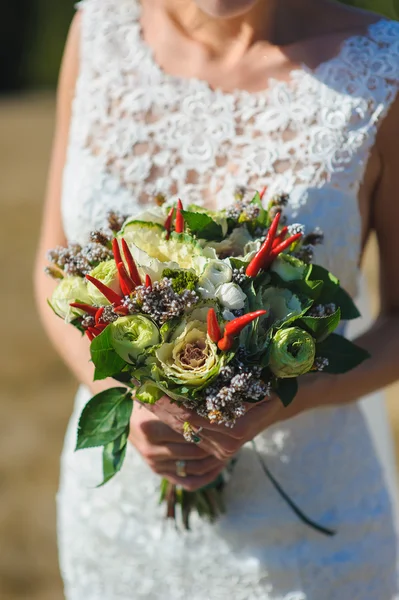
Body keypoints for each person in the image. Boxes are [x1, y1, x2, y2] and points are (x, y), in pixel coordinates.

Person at [34, 0, 399, 597]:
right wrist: (127, 396)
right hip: (119, 524)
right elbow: (53, 270)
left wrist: (289, 397)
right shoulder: (99, 31)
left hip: (306, 535)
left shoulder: (383, 70)